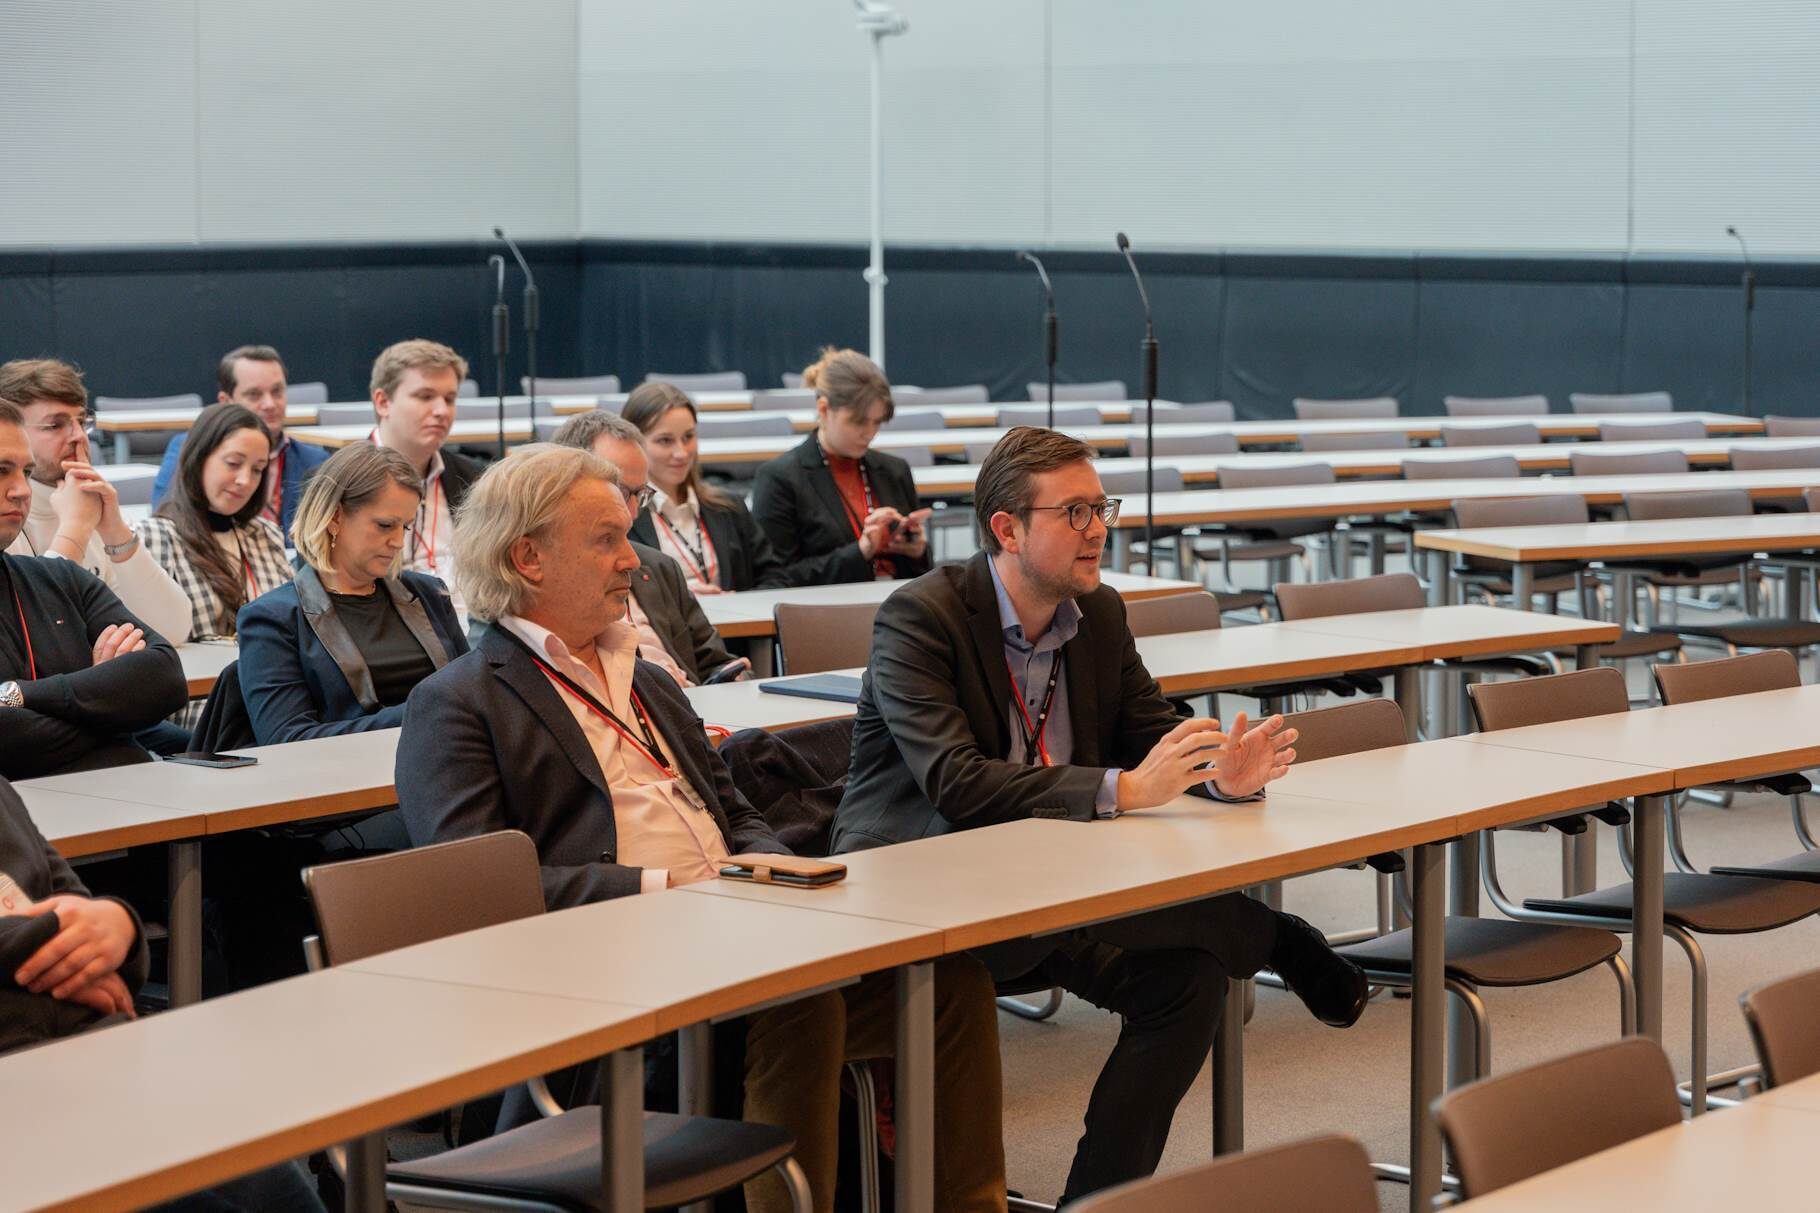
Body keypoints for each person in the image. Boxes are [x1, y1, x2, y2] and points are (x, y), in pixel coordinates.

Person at [395, 444, 1005, 1213]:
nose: (634, 562)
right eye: (607, 540)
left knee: (951, 983)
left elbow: (733, 809)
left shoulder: (647, 677)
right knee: (803, 1000)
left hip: (733, 936)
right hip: (607, 983)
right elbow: (478, 892)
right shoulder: (459, 703)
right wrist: (674, 887)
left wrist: (771, 866)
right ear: (529, 557)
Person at [830, 426, 1369, 1205]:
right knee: (1125, 905)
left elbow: (1152, 733)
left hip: (1054, 884)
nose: (1100, 530)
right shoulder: (921, 617)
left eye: (1101, 507)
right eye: (1076, 512)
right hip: (923, 886)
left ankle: (1094, 1201)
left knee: (1189, 983)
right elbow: (954, 780)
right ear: (1006, 529)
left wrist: (1220, 772)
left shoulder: (1100, 614)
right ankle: (1270, 935)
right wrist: (1120, 789)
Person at [0, 776, 326, 1211]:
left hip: (97, 1058)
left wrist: (120, 925)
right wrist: (58, 947)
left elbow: (82, 907)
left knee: (279, 1192)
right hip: (28, 1096)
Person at [0, 402, 188, 779]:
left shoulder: (59, 578)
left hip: (127, 806)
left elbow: (164, 677)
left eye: (27, 472)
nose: (22, 490)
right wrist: (106, 707)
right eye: (2, 471)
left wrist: (19, 695)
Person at [237, 443, 468, 745]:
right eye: (385, 526)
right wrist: (421, 712)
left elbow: (472, 692)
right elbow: (286, 739)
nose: (398, 542)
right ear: (335, 518)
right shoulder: (272, 619)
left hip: (447, 763)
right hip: (345, 780)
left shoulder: (428, 594)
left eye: (406, 527)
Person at [549, 410, 747, 685]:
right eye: (618, 491)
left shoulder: (658, 568)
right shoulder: (551, 583)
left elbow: (716, 662)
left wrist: (733, 680)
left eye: (640, 494)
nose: (630, 513)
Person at [0, 359, 191, 644]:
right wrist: (75, 527)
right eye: (56, 425)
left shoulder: (90, 505)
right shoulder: (8, 516)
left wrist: (114, 529)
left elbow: (172, 629)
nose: (78, 437)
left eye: (82, 421)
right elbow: (37, 636)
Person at [750, 348, 931, 585]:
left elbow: (923, 575)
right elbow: (777, 579)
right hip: (826, 614)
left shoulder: (894, 470)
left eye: (877, 422)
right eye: (858, 422)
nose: (869, 433)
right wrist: (861, 551)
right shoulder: (780, 478)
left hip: (899, 605)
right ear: (824, 409)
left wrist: (917, 551)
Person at [138, 404, 292, 645]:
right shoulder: (154, 537)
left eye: (257, 470)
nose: (245, 480)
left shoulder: (265, 535)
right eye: (233, 463)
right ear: (199, 458)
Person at [618, 381, 788, 594]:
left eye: (688, 437)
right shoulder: (622, 519)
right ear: (636, 445)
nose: (681, 453)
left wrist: (741, 602)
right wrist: (681, 598)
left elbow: (775, 578)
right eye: (665, 441)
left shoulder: (729, 508)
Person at [151, 345, 331, 533]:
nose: (270, 404)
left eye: (277, 392)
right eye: (254, 395)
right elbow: (168, 517)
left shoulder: (315, 461)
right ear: (226, 401)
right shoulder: (189, 448)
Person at [367, 340, 483, 613]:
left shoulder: (476, 479)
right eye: (425, 396)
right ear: (383, 402)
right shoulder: (339, 482)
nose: (442, 410)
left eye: (450, 399)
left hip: (469, 633)